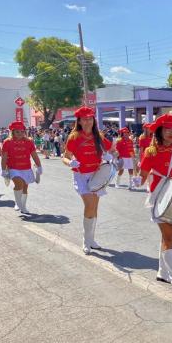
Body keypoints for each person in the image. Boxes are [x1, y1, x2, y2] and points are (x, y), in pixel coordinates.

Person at [140, 113, 172, 296]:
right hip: (159, 197)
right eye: (168, 129)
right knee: (170, 238)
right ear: (159, 132)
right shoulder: (151, 151)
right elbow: (142, 176)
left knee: (167, 236)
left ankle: (162, 272)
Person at [62, 106, 115, 254]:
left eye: (90, 119)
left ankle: (91, 239)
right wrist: (70, 162)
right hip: (81, 175)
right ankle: (85, 240)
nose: (87, 122)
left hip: (97, 175)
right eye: (84, 119)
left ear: (94, 120)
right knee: (89, 206)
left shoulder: (99, 135)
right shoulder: (74, 137)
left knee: (94, 208)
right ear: (79, 121)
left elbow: (112, 149)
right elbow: (65, 157)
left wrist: (110, 156)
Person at [1, 121, 42, 214]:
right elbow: (4, 157)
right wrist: (3, 170)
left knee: (25, 188)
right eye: (17, 132)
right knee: (19, 184)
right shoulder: (7, 142)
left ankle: (21, 205)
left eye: (22, 131)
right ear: (12, 132)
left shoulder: (29, 142)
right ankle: (19, 204)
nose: (20, 134)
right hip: (13, 168)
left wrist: (39, 167)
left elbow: (34, 155)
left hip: (26, 168)